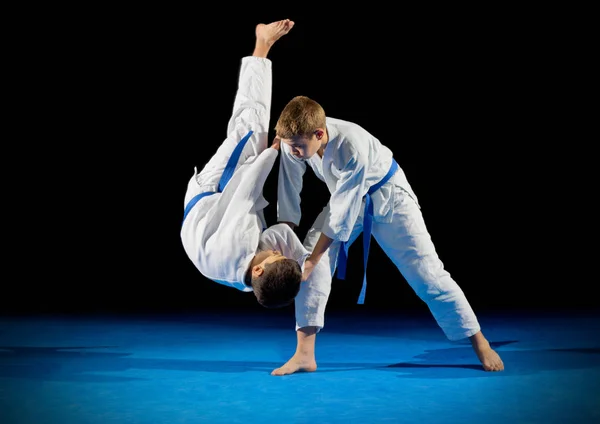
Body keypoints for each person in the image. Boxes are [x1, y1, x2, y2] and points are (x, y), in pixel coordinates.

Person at [270, 95, 505, 375]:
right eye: (290, 146)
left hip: (390, 198)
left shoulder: (350, 145)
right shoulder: (293, 140)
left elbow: (341, 213)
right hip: (347, 201)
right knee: (306, 261)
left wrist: (312, 260)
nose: (294, 152)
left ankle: (479, 342)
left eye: (298, 147)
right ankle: (304, 355)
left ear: (319, 134)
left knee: (428, 275)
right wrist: (288, 235)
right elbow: (289, 187)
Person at [180, 19, 307, 308]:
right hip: (205, 230)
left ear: (259, 268)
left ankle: (262, 43)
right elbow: (277, 237)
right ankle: (302, 259)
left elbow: (246, 190)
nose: (275, 250)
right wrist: (306, 260)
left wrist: (272, 151)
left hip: (212, 194)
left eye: (275, 255)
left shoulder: (239, 242)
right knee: (276, 236)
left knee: (252, 130)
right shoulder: (253, 282)